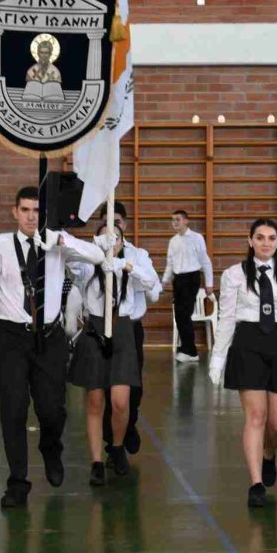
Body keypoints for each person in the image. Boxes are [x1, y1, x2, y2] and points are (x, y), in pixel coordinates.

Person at [0, 186, 106, 509]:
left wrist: (62, 240)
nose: (31, 217)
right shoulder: (1, 245)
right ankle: (17, 482)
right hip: (12, 337)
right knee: (13, 409)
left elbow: (98, 256)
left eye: (37, 211)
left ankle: (51, 447)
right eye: (26, 210)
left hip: (50, 337)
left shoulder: (57, 243)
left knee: (52, 409)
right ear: (15, 212)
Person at [208, 219, 277, 507]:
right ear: (250, 240)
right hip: (248, 343)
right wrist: (218, 358)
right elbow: (226, 318)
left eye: (271, 238)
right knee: (256, 416)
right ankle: (256, 482)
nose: (266, 243)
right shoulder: (234, 274)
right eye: (260, 237)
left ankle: (269, 454)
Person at [68, 223, 158, 486]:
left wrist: (124, 266)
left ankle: (117, 447)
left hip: (123, 330)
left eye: (116, 238)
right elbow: (69, 255)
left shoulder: (129, 263)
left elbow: (150, 282)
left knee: (120, 401)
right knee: (95, 400)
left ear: (123, 241)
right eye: (105, 238)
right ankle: (96, 461)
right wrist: (94, 250)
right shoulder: (88, 266)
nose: (112, 242)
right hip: (95, 331)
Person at [98, 202, 161, 457]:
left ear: (125, 224)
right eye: (107, 222)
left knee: (132, 387)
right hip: (101, 327)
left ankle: (129, 424)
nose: (113, 227)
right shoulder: (93, 253)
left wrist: (128, 269)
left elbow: (154, 289)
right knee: (105, 386)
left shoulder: (138, 255)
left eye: (118, 222)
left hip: (130, 327)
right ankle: (112, 439)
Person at [162, 210, 214, 363]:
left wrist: (209, 283)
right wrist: (164, 281)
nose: (175, 223)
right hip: (178, 279)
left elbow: (205, 261)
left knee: (184, 314)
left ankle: (190, 351)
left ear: (186, 221)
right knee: (179, 315)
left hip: (191, 278)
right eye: (173, 220)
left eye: (178, 219)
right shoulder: (173, 241)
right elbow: (170, 263)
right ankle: (187, 348)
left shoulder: (197, 238)